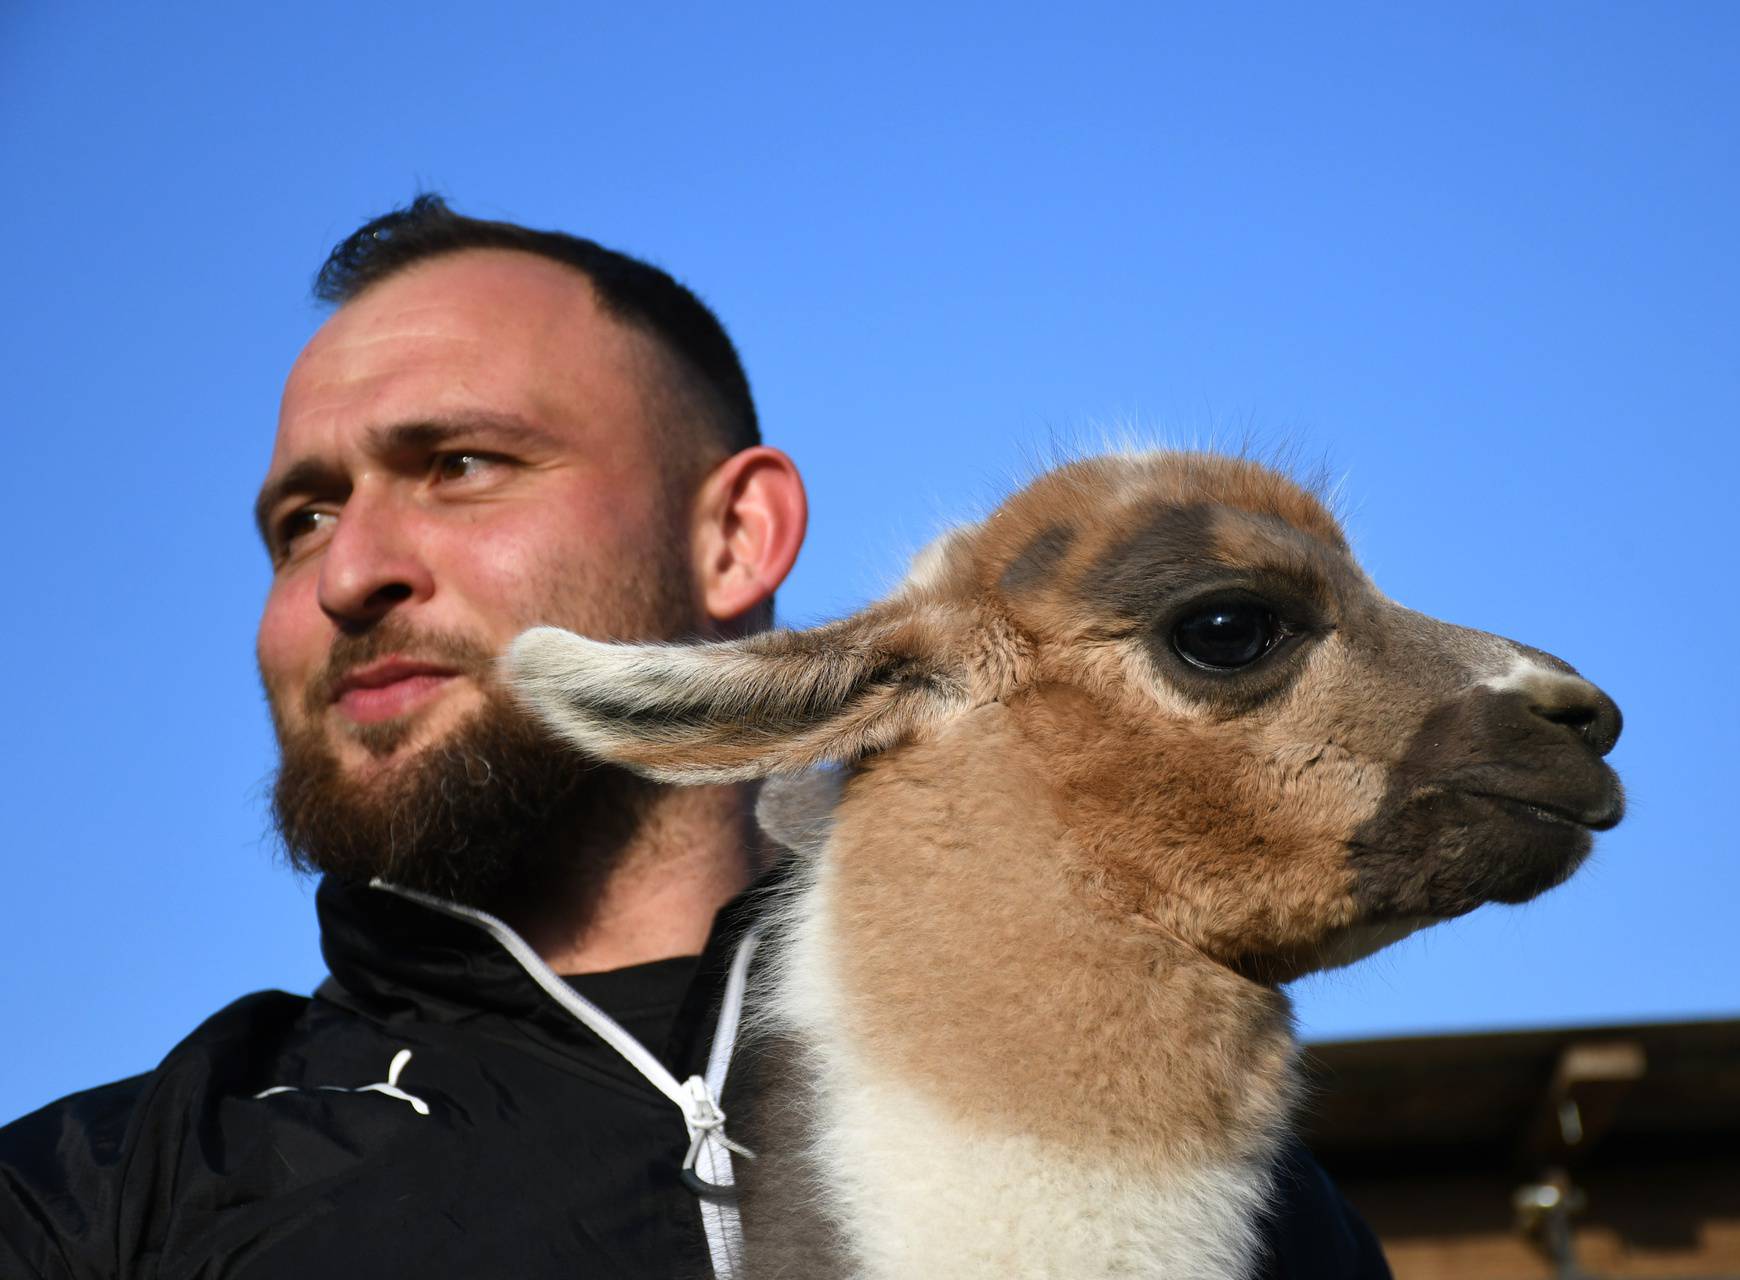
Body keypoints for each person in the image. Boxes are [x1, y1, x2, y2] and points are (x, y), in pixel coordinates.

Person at [0, 196, 1391, 1279]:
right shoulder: (106, 1195)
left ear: (735, 538)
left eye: (460, 467)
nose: (345, 572)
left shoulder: (1208, 1176)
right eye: (299, 519)